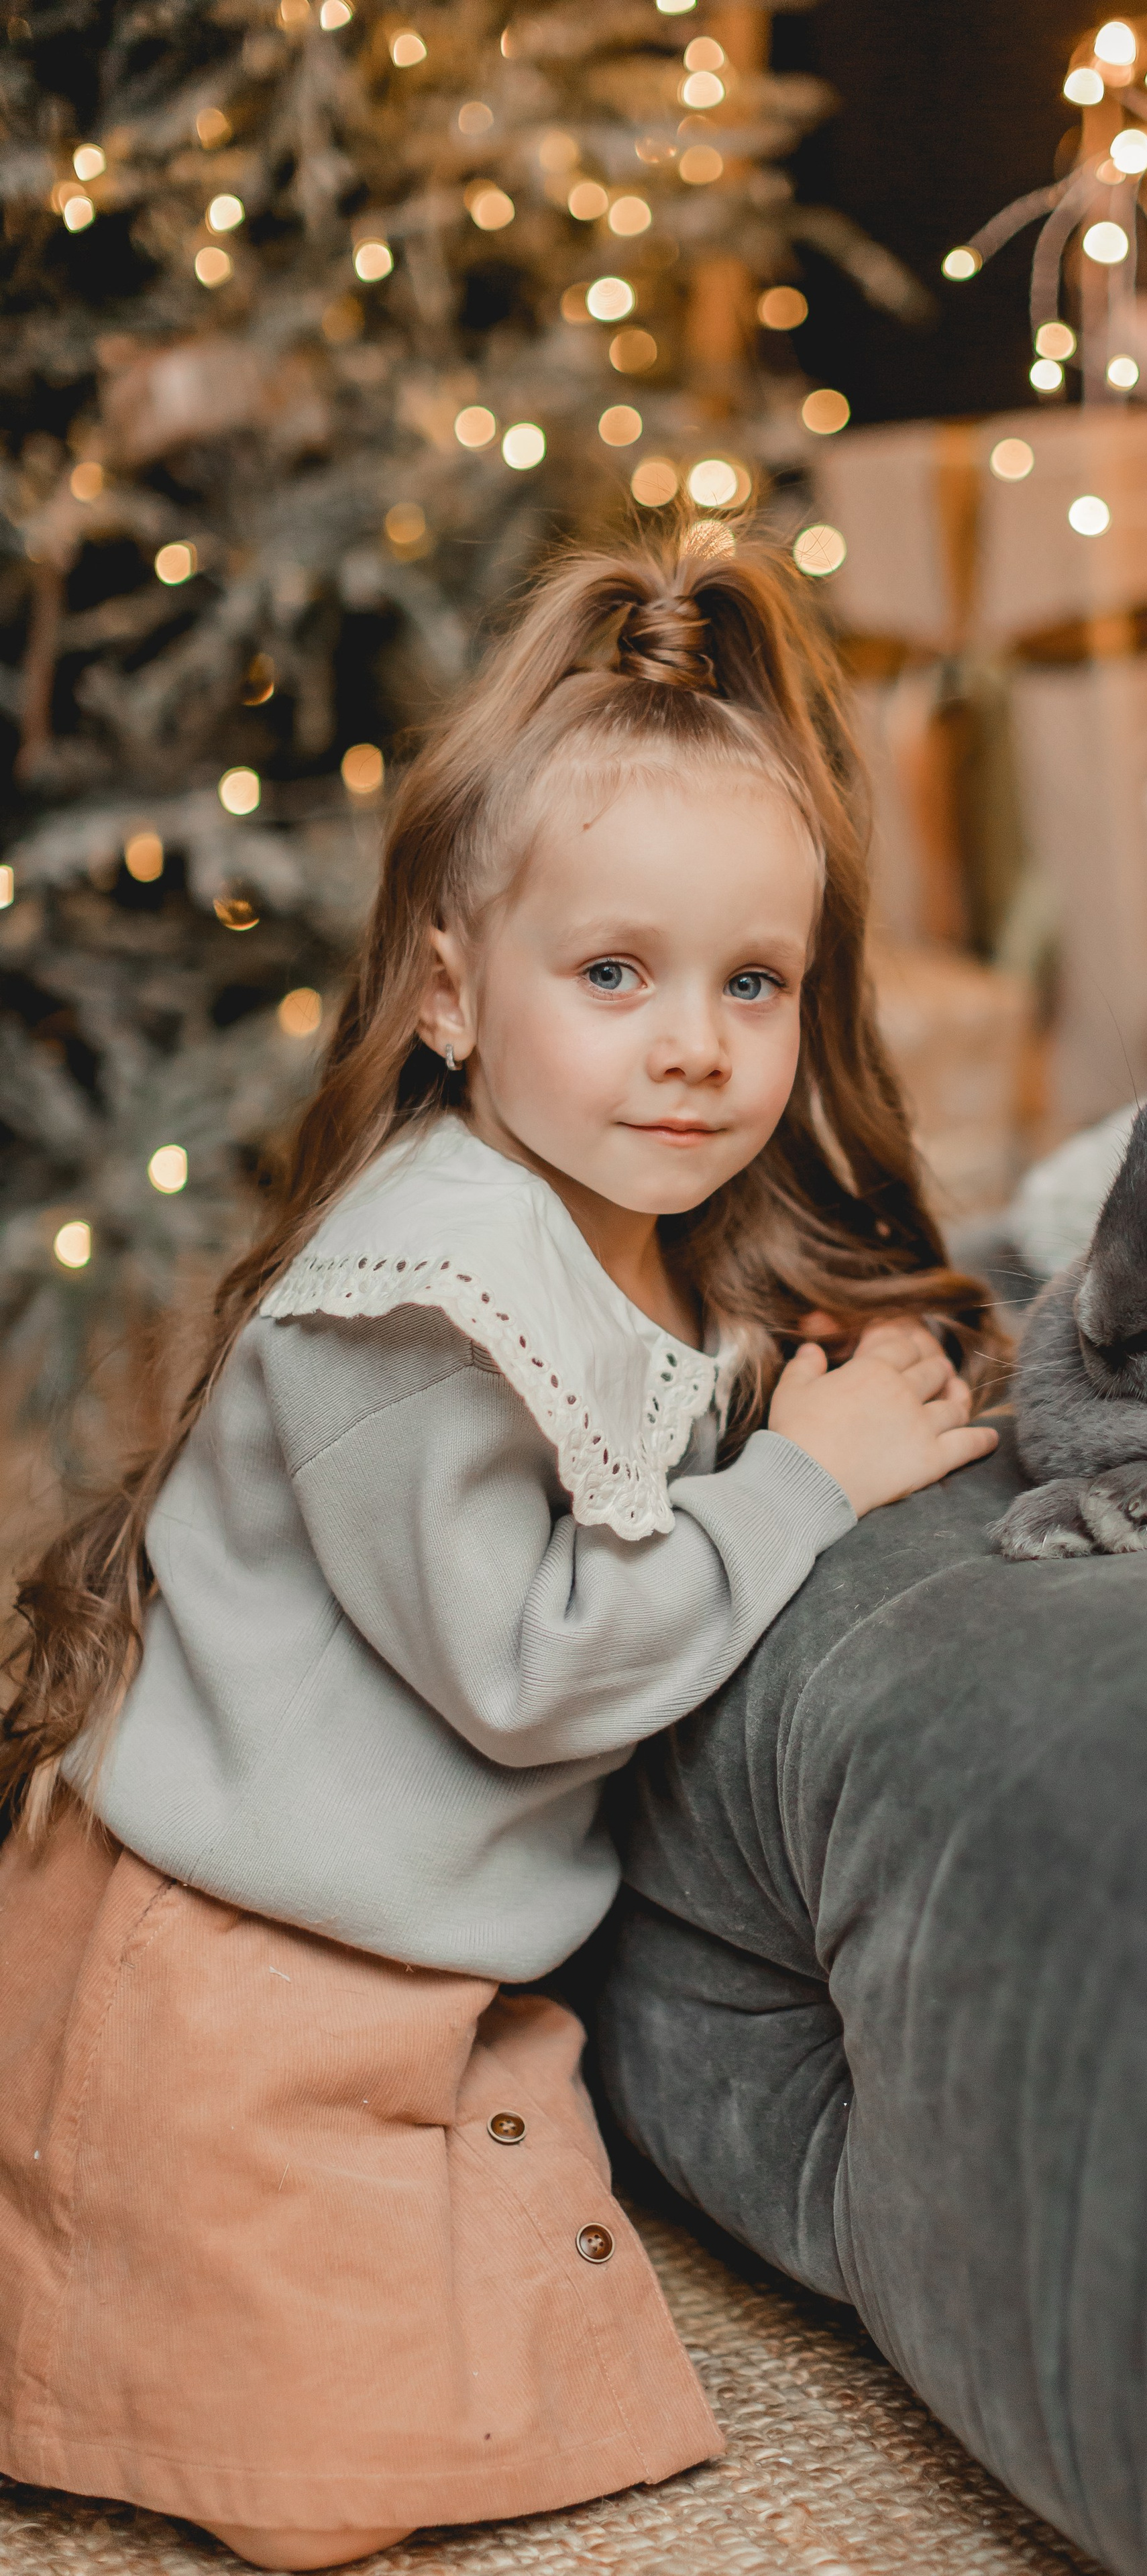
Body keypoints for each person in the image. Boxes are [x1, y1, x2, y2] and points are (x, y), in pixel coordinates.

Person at [0, 532, 1003, 2571]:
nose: (698, 1047)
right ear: (453, 988)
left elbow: (661, 1422)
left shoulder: (613, 1232)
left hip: (390, 1960)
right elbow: (539, 1664)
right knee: (355, 2456)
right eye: (612, 974)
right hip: (231, 1979)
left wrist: (801, 1398)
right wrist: (803, 1479)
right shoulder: (423, 1308)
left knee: (534, 2340)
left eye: (754, 983)